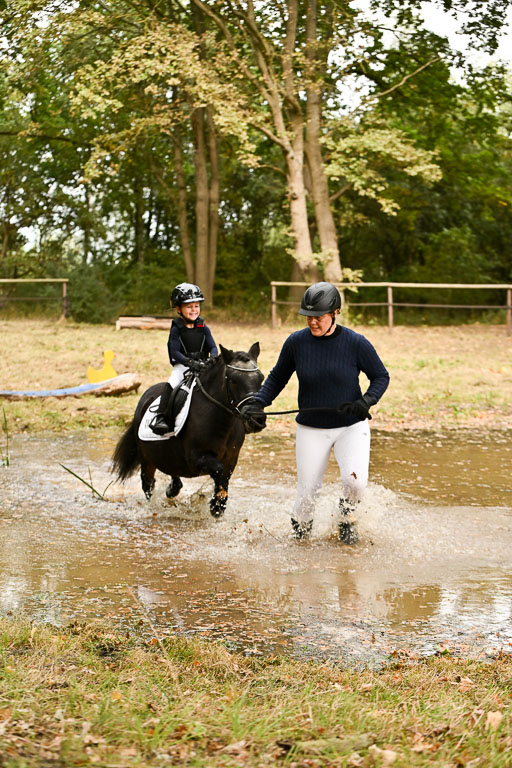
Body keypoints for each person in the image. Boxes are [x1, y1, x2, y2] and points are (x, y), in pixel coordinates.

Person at [241, 281, 389, 542]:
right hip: (311, 428)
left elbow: (380, 376)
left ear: (335, 314)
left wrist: (367, 400)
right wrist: (259, 401)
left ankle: (346, 516)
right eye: (308, 317)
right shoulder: (296, 343)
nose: (312, 322)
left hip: (350, 426)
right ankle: (301, 541)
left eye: (318, 317)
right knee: (308, 493)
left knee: (355, 483)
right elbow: (277, 377)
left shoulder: (356, 343)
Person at [150, 282, 218, 435]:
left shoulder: (203, 326)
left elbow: (213, 346)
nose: (194, 310)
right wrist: (190, 363)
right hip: (183, 366)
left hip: (203, 365)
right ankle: (160, 417)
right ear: (179, 309)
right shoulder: (176, 329)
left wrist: (212, 358)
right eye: (189, 307)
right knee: (172, 382)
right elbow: (175, 353)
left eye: (196, 306)